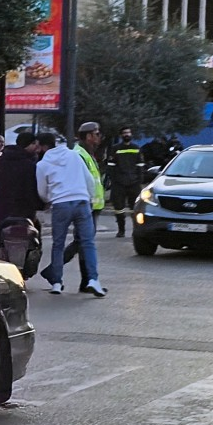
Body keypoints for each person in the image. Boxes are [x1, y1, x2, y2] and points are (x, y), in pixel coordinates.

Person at [35, 133, 105, 297]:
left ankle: (57, 282)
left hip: (60, 205)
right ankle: (93, 280)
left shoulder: (43, 164)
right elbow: (89, 180)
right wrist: (87, 197)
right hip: (81, 201)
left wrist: (50, 198)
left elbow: (42, 192)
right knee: (88, 243)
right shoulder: (74, 155)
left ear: (44, 146)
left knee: (58, 244)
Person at [55, 121, 107, 294]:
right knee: (84, 242)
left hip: (92, 205)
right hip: (86, 205)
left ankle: (84, 280)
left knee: (82, 242)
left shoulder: (88, 153)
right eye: (97, 134)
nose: (99, 137)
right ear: (89, 136)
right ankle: (82, 279)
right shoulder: (79, 154)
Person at [0, 132, 42, 256]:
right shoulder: (31, 166)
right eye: (34, 144)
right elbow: (32, 189)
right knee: (35, 241)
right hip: (25, 213)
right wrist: (39, 204)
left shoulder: (0, 162)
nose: (36, 148)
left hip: (2, 210)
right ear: (27, 145)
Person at [106, 127, 145, 238]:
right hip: (119, 183)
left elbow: (140, 166)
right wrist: (114, 180)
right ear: (121, 135)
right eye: (124, 133)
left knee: (136, 208)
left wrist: (139, 180)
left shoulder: (136, 148)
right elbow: (111, 167)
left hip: (134, 183)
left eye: (128, 132)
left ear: (131, 134)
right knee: (119, 208)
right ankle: (121, 230)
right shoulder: (115, 149)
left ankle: (136, 230)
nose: (127, 134)